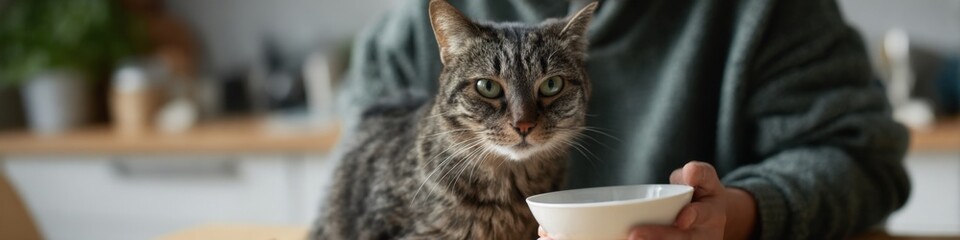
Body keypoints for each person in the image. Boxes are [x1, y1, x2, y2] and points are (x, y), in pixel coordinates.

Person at [334, 0, 911, 239]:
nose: (523, 121)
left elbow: (861, 156)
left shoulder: (768, 11)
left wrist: (736, 214)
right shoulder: (421, 16)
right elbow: (362, 159)